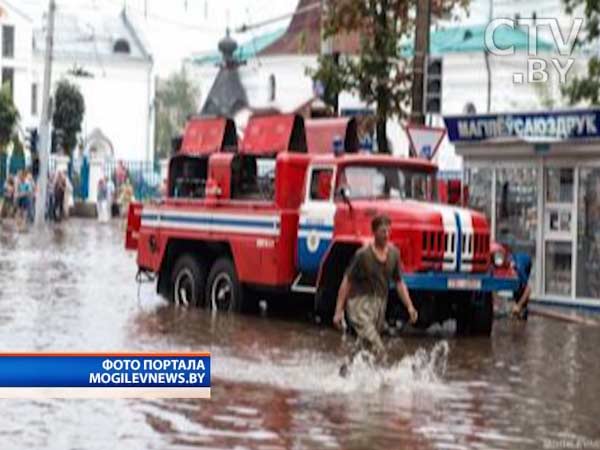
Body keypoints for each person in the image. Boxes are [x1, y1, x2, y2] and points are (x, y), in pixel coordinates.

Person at [333, 214, 418, 374]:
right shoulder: (363, 255)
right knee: (376, 345)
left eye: (388, 231)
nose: (386, 235)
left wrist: (410, 307)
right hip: (359, 305)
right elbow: (347, 281)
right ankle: (383, 380)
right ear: (374, 232)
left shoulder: (394, 254)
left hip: (379, 306)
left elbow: (399, 283)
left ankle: (345, 371)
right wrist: (338, 311)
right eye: (382, 231)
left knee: (363, 346)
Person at [511, 252, 532, 320]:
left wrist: (519, 305)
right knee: (515, 286)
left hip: (527, 261)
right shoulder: (505, 266)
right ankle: (517, 310)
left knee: (523, 287)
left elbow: (528, 289)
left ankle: (523, 310)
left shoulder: (520, 270)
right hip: (516, 258)